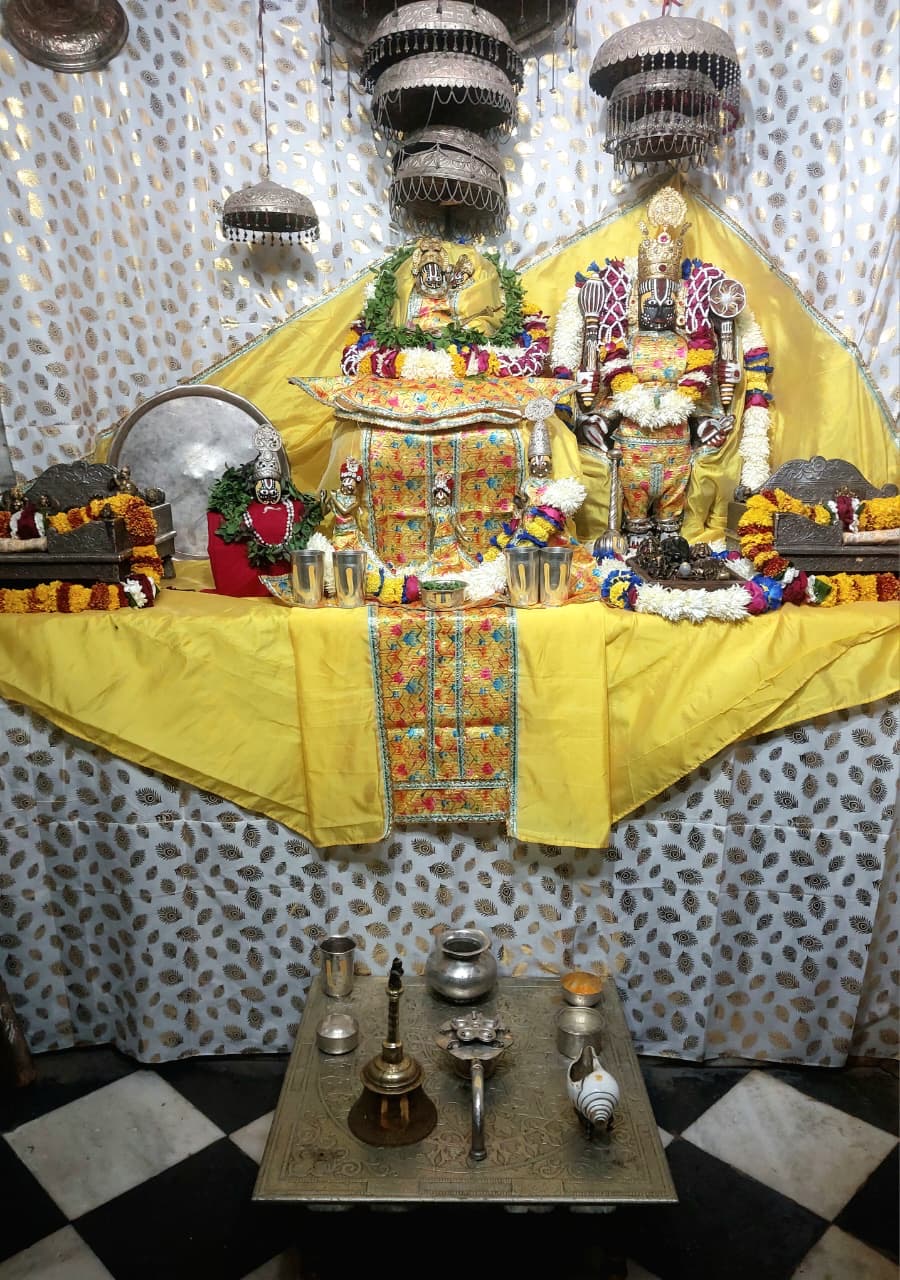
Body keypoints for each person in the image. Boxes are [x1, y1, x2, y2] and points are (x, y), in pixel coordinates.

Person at [555, 187, 740, 542]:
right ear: (636, 307)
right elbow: (613, 392)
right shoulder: (625, 343)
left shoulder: (689, 345)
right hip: (632, 442)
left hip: (677, 444)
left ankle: (670, 534)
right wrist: (599, 420)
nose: (659, 311)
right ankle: (636, 532)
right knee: (635, 506)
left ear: (678, 307)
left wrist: (705, 424)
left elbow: (701, 396)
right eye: (650, 305)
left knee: (672, 508)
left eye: (666, 306)